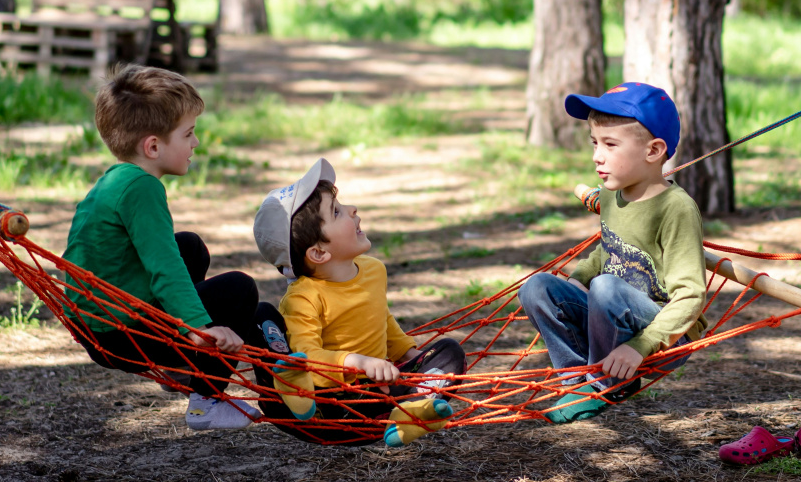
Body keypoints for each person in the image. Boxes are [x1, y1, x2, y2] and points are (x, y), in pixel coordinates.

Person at [61, 64, 263, 431]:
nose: (196, 143)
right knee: (239, 288)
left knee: (190, 246)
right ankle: (208, 399)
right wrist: (200, 330)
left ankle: (180, 364)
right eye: (188, 134)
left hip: (95, 322)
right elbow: (164, 267)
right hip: (119, 333)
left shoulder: (117, 178)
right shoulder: (143, 189)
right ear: (153, 146)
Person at [517, 83, 708, 423]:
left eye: (610, 144)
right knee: (536, 287)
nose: (596, 156)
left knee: (605, 287)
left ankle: (605, 385)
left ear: (653, 151)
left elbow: (690, 295)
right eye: (594, 143)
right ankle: (576, 383)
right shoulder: (611, 195)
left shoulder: (676, 209)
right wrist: (576, 282)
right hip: (611, 318)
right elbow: (608, 250)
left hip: (664, 338)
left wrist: (640, 346)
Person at [252, 159, 466, 447]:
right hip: (334, 407)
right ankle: (289, 390)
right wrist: (358, 363)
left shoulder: (373, 270)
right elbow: (309, 357)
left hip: (383, 394)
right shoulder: (303, 297)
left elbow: (381, 318)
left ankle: (410, 412)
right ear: (318, 253)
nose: (352, 210)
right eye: (337, 212)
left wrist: (409, 354)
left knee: (449, 352)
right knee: (262, 316)